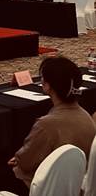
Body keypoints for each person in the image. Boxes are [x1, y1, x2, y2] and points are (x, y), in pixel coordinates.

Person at [8, 56, 95, 188]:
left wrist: (19, 158)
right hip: (78, 184)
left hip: (50, 186)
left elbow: (25, 162)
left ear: (48, 86)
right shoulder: (86, 116)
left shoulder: (46, 124)